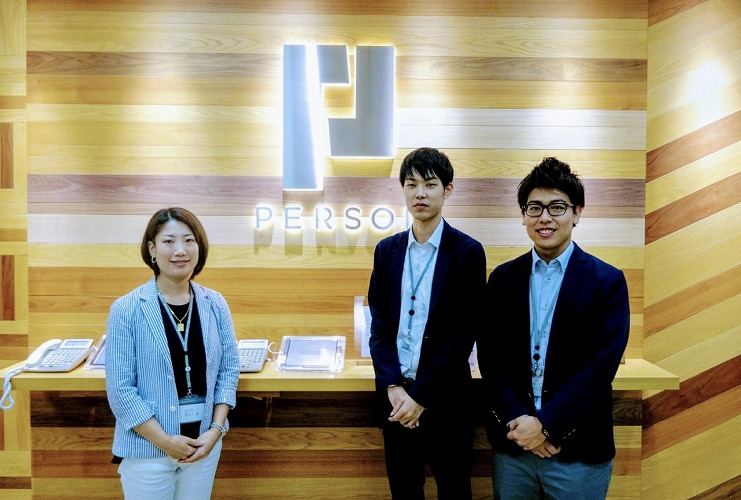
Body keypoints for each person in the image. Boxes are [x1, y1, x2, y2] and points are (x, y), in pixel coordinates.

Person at [477, 157, 630, 499]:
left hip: (577, 450)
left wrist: (546, 426)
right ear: (523, 216)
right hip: (514, 446)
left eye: (557, 207)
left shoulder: (606, 281)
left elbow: (599, 368)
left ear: (577, 213)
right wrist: (521, 422)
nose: (544, 218)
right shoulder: (502, 279)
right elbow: (491, 358)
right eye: (534, 208)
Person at [368, 147, 487, 499]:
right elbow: (379, 328)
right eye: (411, 184)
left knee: (455, 491)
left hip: (446, 401)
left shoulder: (467, 252)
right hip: (395, 401)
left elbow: (462, 335)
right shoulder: (386, 251)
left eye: (430, 184)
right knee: (404, 492)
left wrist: (420, 396)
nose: (420, 193)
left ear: (447, 190)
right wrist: (393, 386)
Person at [105, 207, 240, 500]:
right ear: (152, 249)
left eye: (189, 240)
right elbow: (121, 391)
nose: (180, 250)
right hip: (148, 449)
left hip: (203, 446)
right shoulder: (127, 308)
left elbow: (229, 370)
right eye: (169, 241)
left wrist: (216, 430)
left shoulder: (215, 303)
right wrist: (165, 441)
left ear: (199, 247)